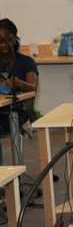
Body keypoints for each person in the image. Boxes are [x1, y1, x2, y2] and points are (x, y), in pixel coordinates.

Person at [0, 18, 38, 166]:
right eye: (0, 41)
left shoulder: (26, 62)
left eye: (7, 40)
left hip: (15, 112)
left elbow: (33, 88)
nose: (3, 44)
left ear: (15, 39)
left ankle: (2, 178)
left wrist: (20, 83)